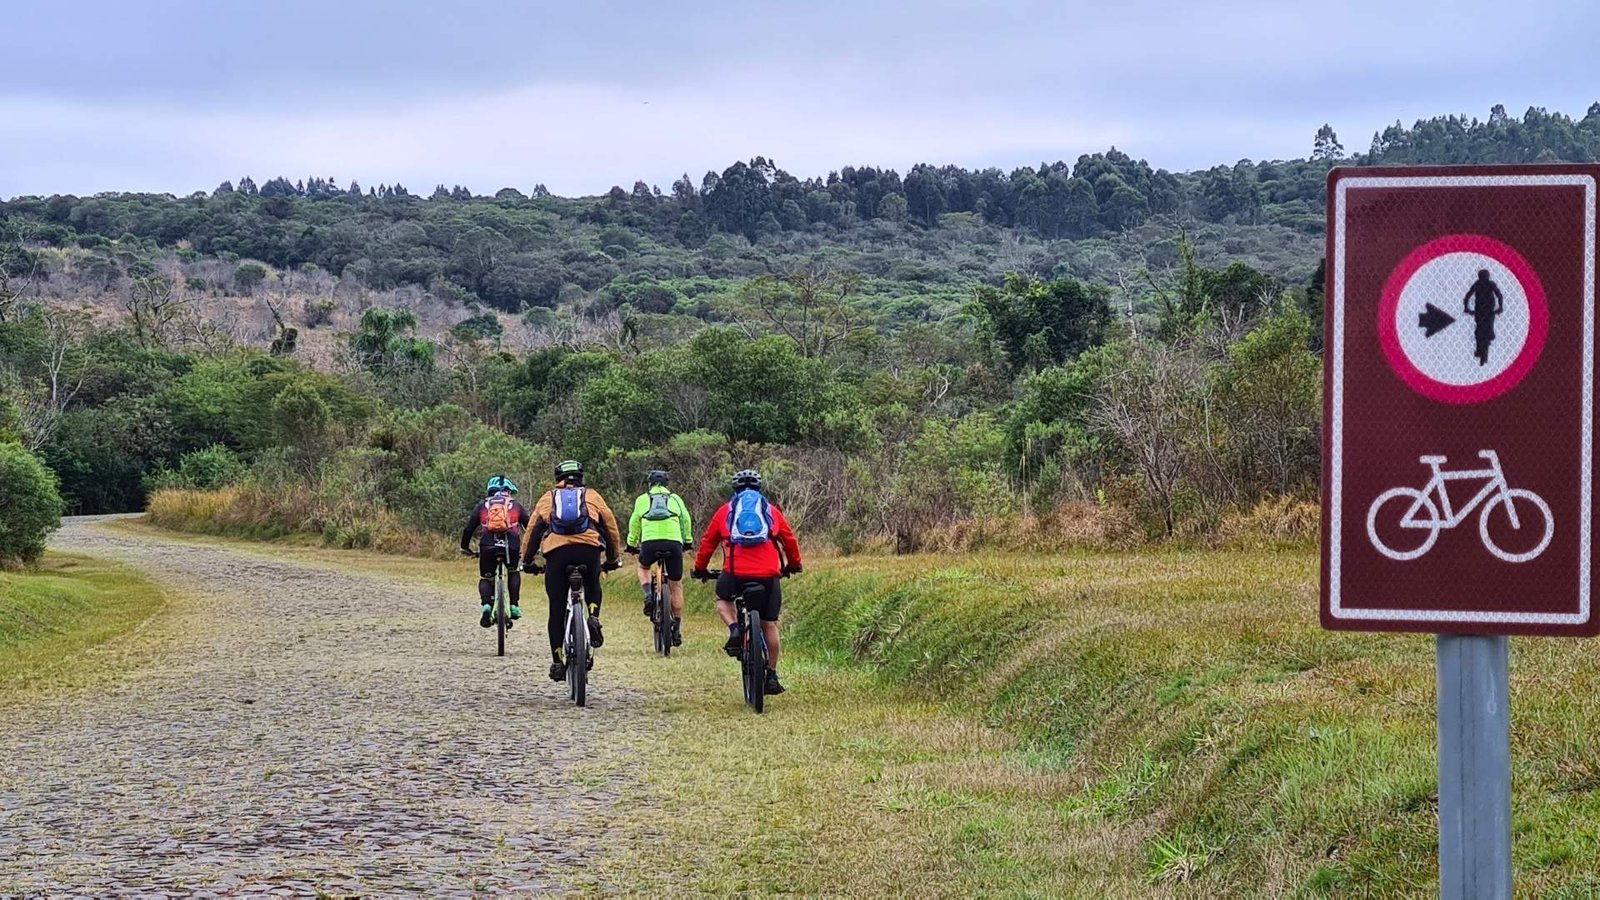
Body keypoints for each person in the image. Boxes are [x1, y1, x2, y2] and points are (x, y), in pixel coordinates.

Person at [692, 469, 803, 696]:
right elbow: (789, 540)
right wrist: (794, 564)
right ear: (759, 489)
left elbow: (707, 542)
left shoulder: (725, 512)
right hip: (769, 574)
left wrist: (700, 569)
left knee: (723, 600)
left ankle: (734, 629)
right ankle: (771, 674)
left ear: (735, 490)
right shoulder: (771, 511)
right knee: (769, 624)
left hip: (735, 573)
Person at [522, 460, 623, 682]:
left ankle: (558, 662)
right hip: (588, 550)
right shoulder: (592, 496)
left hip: (557, 554)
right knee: (593, 584)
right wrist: (613, 558)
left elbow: (532, 531)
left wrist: (526, 560)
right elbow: (610, 527)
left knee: (556, 609)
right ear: (580, 477)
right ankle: (593, 616)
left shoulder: (548, 498)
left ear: (557, 477)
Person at [625, 469, 694, 647]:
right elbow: (685, 519)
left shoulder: (642, 499)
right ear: (666, 484)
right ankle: (676, 628)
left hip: (650, 543)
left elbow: (634, 522)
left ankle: (649, 594)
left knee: (643, 567)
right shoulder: (675, 498)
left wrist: (631, 543)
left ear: (650, 484)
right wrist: (687, 540)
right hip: (673, 543)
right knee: (676, 585)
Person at [459, 475, 530, 628]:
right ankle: (514, 606)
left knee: (486, 577)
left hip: (488, 545)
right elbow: (529, 527)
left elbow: (469, 528)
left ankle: (486, 605)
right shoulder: (515, 505)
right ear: (508, 492)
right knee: (513, 571)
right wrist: (531, 549)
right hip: (511, 545)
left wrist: (465, 547)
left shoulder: (483, 505)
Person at [1463, 268, 1505, 366]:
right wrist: (1500, 307)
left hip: (1481, 311)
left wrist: (1466, 308)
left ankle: (1480, 349)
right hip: (1488, 311)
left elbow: (1467, 296)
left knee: (1479, 329)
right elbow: (1499, 295)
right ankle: (1486, 340)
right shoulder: (1490, 284)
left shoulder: (1477, 284)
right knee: (1485, 327)